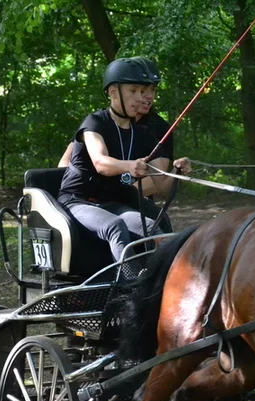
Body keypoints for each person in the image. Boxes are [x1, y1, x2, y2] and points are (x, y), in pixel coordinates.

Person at [57, 56, 192, 261]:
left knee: (151, 228)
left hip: (112, 203)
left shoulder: (144, 135)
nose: (141, 97)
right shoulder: (95, 122)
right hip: (77, 200)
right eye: (134, 91)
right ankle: (130, 289)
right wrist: (130, 166)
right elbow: (101, 163)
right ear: (113, 92)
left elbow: (163, 187)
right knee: (115, 227)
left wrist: (177, 171)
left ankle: (157, 284)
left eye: (144, 91)